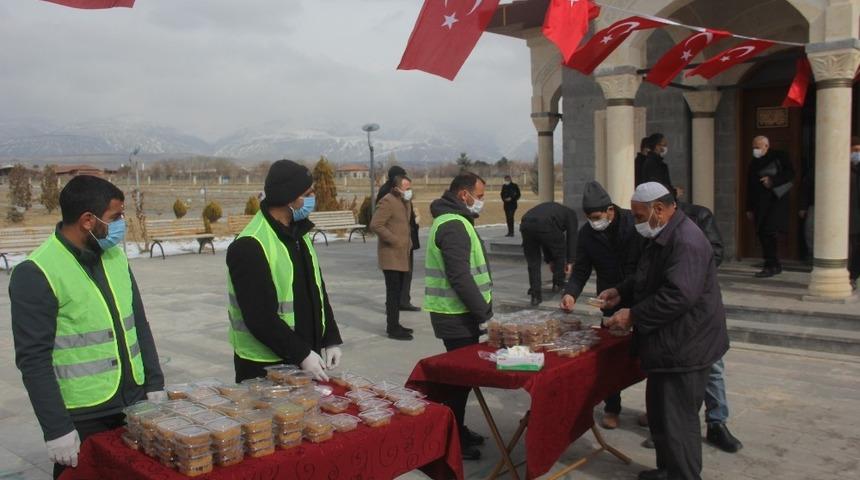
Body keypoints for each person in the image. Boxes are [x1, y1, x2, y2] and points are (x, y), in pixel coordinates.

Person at [10, 175, 165, 479]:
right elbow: (33, 359)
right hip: (84, 415)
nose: (122, 223)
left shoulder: (114, 257)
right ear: (87, 220)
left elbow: (139, 324)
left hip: (131, 404)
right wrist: (56, 428)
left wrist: (155, 383)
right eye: (116, 216)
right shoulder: (37, 271)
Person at [602, 182, 729, 480]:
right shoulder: (662, 233)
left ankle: (683, 475)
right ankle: (667, 470)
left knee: (678, 422)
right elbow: (647, 275)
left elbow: (678, 295)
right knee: (661, 416)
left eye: (637, 216)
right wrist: (621, 292)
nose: (635, 222)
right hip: (665, 345)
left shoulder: (686, 240)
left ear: (659, 209)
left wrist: (633, 314)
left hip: (685, 346)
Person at [227, 159, 343, 384]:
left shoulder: (299, 233)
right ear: (291, 198)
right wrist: (303, 355)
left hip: (303, 357)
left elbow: (317, 289)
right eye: (308, 194)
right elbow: (259, 317)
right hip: (266, 368)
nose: (312, 199)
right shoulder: (250, 244)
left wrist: (330, 338)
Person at [560, 181, 642, 429]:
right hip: (609, 298)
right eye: (588, 217)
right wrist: (571, 293)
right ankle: (612, 406)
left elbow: (644, 264)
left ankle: (654, 408)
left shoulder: (633, 224)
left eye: (597, 217)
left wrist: (627, 288)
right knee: (609, 357)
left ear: (610, 210)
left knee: (650, 354)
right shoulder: (588, 234)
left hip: (639, 294)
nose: (594, 222)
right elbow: (581, 268)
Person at [424, 172, 492, 460]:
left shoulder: (455, 220)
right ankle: (451, 440)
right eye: (480, 196)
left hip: (460, 315)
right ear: (464, 195)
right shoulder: (453, 225)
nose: (482, 202)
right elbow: (460, 276)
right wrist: (483, 314)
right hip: (456, 317)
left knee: (462, 382)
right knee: (457, 383)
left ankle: (458, 430)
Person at [370, 175, 415, 340]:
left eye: (410, 187)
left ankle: (396, 323)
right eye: (406, 188)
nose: (409, 191)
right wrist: (394, 240)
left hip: (402, 253)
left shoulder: (404, 201)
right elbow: (375, 224)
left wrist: (407, 243)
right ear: (397, 188)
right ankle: (392, 328)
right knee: (393, 292)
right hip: (390, 255)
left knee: (398, 292)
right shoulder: (388, 201)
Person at [745, 135, 794, 278]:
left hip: (775, 202)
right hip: (759, 204)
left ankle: (771, 265)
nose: (755, 150)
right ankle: (773, 264)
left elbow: (790, 174)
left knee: (769, 232)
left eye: (758, 147)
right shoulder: (754, 163)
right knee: (762, 233)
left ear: (766, 146)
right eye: (754, 147)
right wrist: (748, 207)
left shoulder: (780, 156)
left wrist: (772, 181)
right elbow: (750, 186)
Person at [377, 166, 421, 311]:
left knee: (406, 273)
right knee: (397, 278)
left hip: (406, 240)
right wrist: (394, 239)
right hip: (396, 243)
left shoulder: (402, 193)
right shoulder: (388, 194)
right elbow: (378, 223)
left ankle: (401, 301)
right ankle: (397, 304)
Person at [519, 202, 578, 305]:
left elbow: (545, 240)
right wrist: (570, 261)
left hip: (525, 224)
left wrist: (550, 260)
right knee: (560, 251)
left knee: (533, 263)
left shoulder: (554, 210)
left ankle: (535, 296)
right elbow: (572, 237)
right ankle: (558, 283)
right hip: (544, 224)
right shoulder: (571, 214)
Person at [640, 133, 684, 199]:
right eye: (664, 145)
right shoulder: (654, 164)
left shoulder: (655, 162)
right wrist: (674, 192)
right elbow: (657, 186)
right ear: (657, 146)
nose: (665, 148)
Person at [850, 136, 860, 290]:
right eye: (854, 150)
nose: (857, 153)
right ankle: (852, 276)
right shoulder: (841, 167)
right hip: (851, 215)